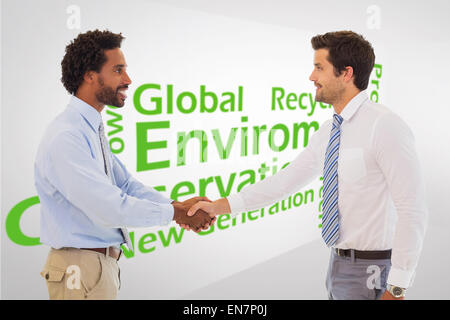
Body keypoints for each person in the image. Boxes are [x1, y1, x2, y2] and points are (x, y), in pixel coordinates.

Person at [186, 31, 428, 300]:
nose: (312, 77)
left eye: (319, 68)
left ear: (346, 73)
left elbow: (412, 209)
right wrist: (220, 206)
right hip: (337, 265)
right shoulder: (329, 131)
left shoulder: (385, 126)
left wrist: (397, 287)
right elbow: (286, 181)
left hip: (374, 270)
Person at [34, 29, 213, 300]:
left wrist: (179, 207)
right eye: (118, 70)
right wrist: (176, 213)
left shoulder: (88, 127)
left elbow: (126, 185)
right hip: (79, 272)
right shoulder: (67, 136)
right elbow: (107, 207)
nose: (128, 80)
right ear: (89, 75)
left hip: (93, 269)